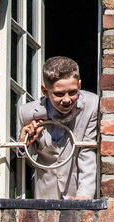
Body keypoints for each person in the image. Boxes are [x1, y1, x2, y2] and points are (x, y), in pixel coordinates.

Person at [17, 56, 99, 199]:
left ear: (79, 86)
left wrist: (84, 196)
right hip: (45, 194)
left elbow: (87, 152)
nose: (67, 100)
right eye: (59, 94)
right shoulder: (27, 112)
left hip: (77, 192)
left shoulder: (92, 105)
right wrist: (24, 142)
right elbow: (28, 154)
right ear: (45, 91)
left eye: (73, 92)